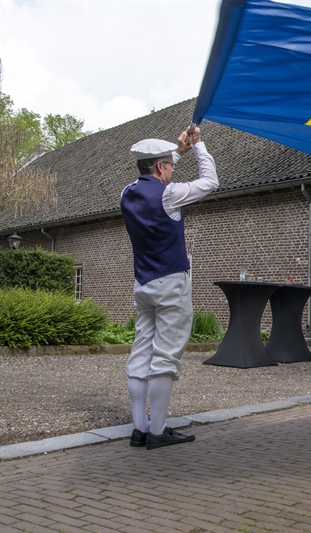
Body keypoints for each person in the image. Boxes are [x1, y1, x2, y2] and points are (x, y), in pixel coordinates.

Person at [120, 127, 217, 449]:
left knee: (140, 352)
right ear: (161, 168)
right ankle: (158, 431)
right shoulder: (169, 194)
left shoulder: (126, 192)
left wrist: (180, 150)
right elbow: (210, 182)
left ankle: (139, 427)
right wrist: (200, 146)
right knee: (165, 356)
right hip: (171, 282)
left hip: (142, 283)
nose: (173, 170)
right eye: (171, 165)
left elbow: (157, 165)